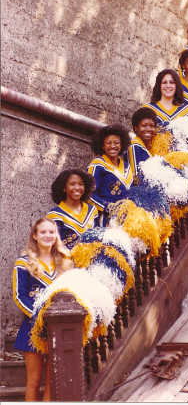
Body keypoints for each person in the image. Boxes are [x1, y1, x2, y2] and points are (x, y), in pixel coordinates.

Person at [13, 217, 73, 401]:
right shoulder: (23, 263)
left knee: (52, 380)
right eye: (43, 232)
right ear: (35, 235)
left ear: (56, 236)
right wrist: (40, 316)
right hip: (33, 327)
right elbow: (19, 296)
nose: (48, 235)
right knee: (33, 380)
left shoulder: (65, 262)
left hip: (58, 328)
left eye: (51, 232)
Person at [87, 124, 133, 225]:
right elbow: (88, 195)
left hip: (127, 220)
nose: (112, 146)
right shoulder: (97, 165)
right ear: (102, 146)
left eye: (116, 143)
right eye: (108, 143)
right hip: (105, 220)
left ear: (121, 145)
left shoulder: (127, 167)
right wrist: (108, 207)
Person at [47, 169, 99, 250]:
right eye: (72, 184)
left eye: (81, 184)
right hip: (67, 260)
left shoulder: (92, 210)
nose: (77, 188)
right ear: (64, 188)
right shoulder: (55, 215)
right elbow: (55, 245)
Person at [124, 107, 157, 178]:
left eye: (152, 126)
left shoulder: (146, 147)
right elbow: (135, 176)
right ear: (136, 127)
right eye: (144, 126)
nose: (148, 129)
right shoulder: (134, 145)